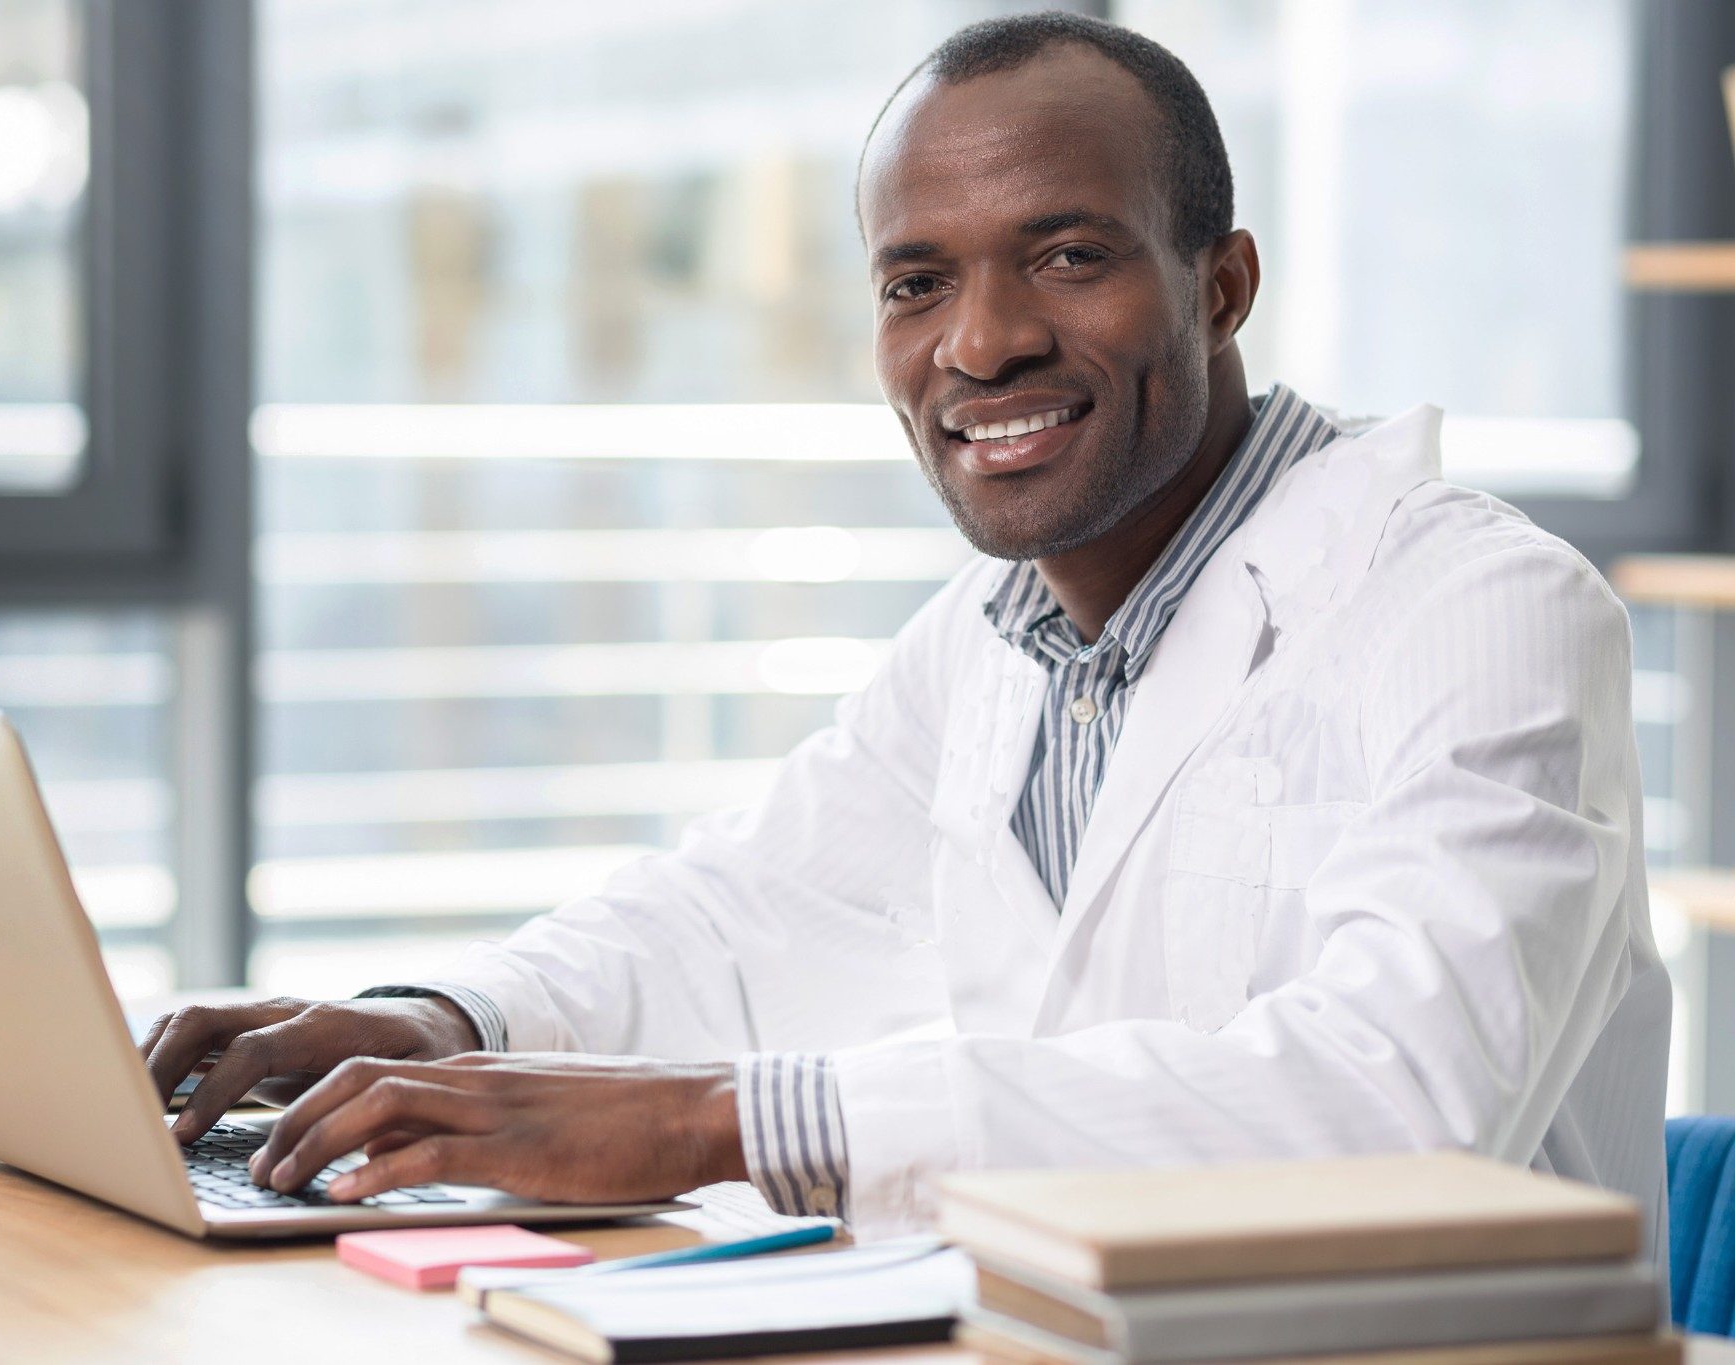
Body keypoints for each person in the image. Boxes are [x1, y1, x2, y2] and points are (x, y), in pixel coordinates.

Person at [141, 11, 1670, 1237]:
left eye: (1067, 255)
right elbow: (735, 918)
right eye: (916, 281)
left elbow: (1394, 1104)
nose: (985, 341)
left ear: (1222, 286)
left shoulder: (1484, 610)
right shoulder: (993, 637)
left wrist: (714, 1119)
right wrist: (444, 1021)